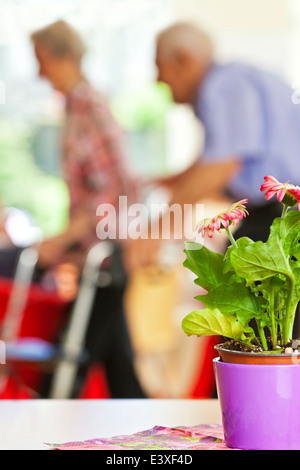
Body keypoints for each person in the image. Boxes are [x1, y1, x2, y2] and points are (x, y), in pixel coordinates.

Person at [123, 21, 300, 273]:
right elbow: (216, 159)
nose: (159, 79)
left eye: (159, 67)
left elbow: (221, 165)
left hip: (284, 217)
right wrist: (174, 182)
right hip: (279, 214)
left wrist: (156, 232)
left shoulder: (223, 85)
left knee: (242, 285)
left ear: (183, 59)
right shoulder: (236, 79)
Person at [30, 20, 146, 398]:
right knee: (118, 365)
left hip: (106, 254)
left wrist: (61, 240)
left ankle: (42, 423)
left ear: (60, 57)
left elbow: (107, 192)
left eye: (41, 60)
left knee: (68, 364)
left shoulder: (88, 106)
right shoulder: (75, 106)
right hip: (102, 253)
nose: (38, 71)